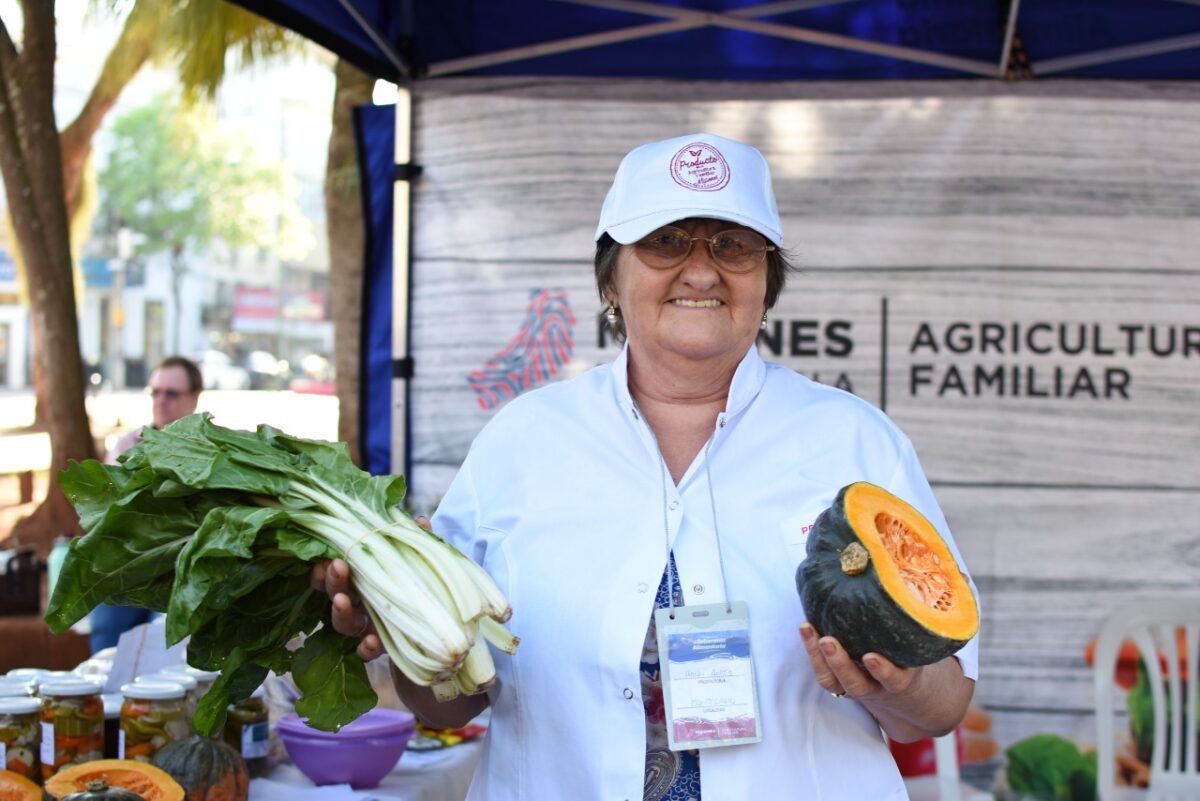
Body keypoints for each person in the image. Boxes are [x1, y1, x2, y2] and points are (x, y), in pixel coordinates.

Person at [315, 133, 979, 799]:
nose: (701, 270)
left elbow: (944, 703)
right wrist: (402, 634)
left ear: (767, 279)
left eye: (732, 245)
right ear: (611, 276)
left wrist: (902, 681)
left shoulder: (854, 441)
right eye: (666, 241)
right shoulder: (521, 442)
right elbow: (449, 704)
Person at [89, 355, 203, 653]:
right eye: (155, 391)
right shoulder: (127, 446)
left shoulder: (211, 451)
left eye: (172, 393)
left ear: (194, 398)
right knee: (105, 639)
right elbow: (102, 511)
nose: (161, 400)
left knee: (165, 642)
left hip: (182, 571)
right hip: (128, 567)